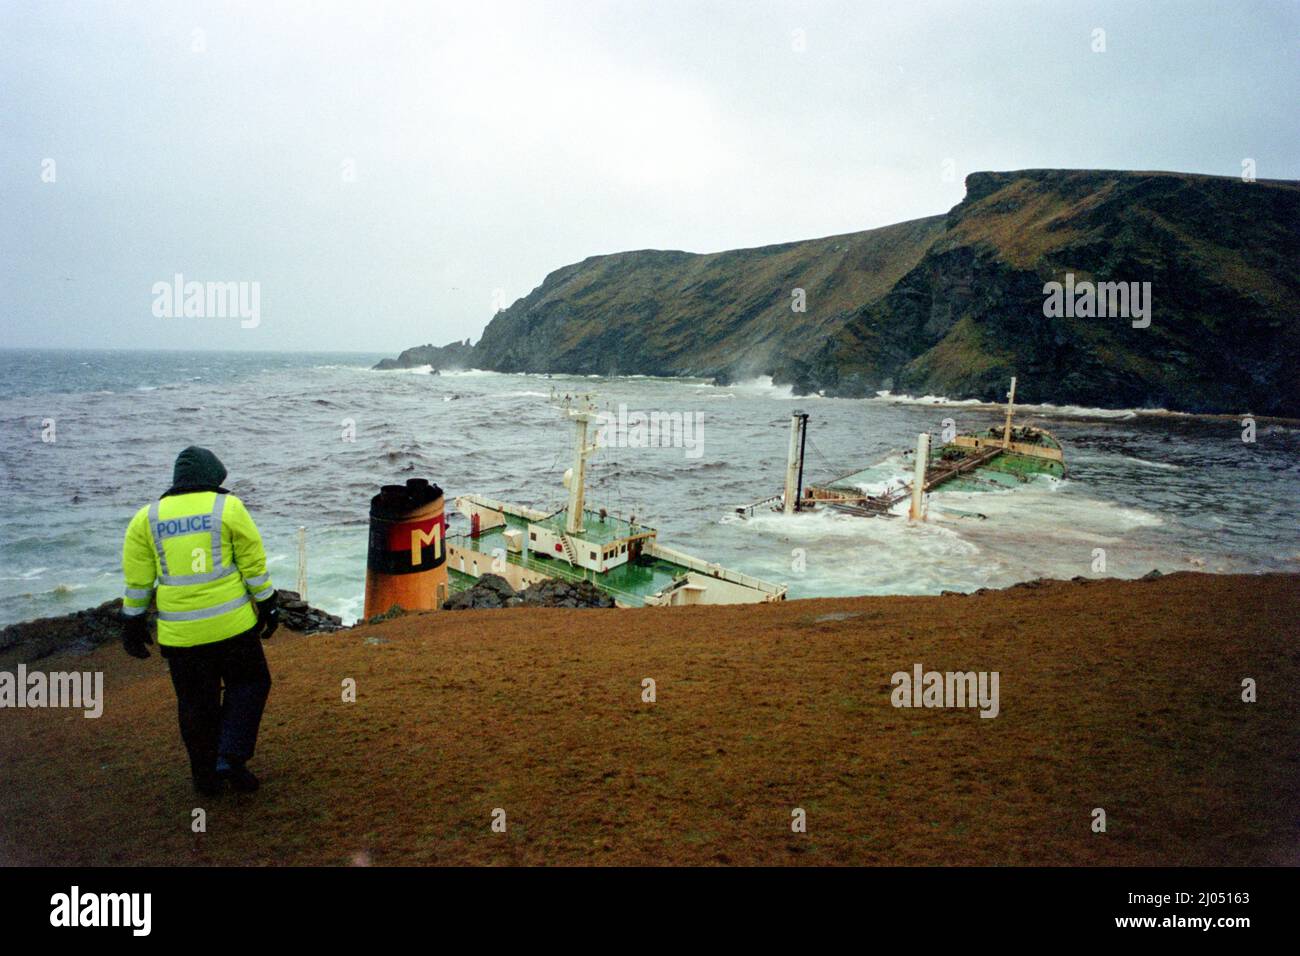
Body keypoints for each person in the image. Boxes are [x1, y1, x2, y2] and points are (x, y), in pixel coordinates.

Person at [120, 446, 279, 796]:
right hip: (232, 627)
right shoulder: (228, 507)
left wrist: (132, 624)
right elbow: (252, 564)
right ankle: (231, 755)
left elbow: (138, 583)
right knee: (250, 684)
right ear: (214, 477)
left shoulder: (146, 519)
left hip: (180, 636)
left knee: (195, 704)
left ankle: (205, 779)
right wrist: (269, 603)